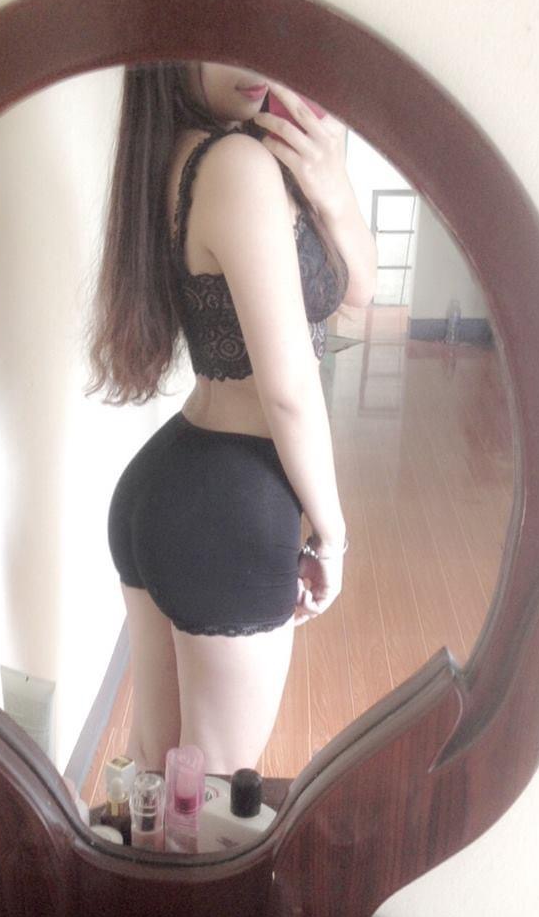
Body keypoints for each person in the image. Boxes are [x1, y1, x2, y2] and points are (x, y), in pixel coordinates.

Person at [84, 61, 377, 776]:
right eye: (218, 40)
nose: (248, 63)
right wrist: (332, 538)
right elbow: (290, 391)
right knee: (210, 793)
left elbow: (358, 292)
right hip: (229, 509)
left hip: (169, 481)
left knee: (155, 769)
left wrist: (334, 189)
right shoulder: (237, 164)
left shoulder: (183, 152)